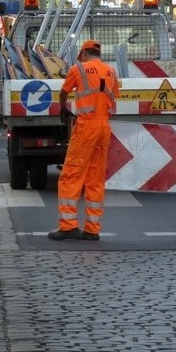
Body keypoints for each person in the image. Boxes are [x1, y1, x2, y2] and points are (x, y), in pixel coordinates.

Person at [48, 39, 121, 241]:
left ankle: (68, 225)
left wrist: (63, 108)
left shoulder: (78, 69)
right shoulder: (111, 71)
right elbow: (112, 97)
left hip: (86, 127)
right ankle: (92, 229)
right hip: (104, 127)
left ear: (84, 54)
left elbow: (64, 92)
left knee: (70, 174)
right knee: (95, 179)